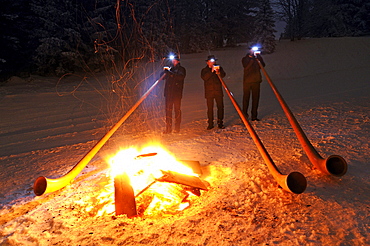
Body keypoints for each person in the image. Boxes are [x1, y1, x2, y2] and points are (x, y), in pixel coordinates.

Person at [201, 55, 226, 130]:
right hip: (209, 92)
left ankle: (220, 122)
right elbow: (204, 78)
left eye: (213, 61)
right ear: (207, 62)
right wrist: (211, 71)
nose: (212, 62)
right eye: (210, 61)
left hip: (218, 91)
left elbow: (223, 75)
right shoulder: (204, 70)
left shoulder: (219, 68)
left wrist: (218, 72)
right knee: (210, 108)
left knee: (220, 107)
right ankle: (210, 123)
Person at [162, 55, 186, 134]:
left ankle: (177, 128)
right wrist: (165, 72)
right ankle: (168, 128)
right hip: (168, 93)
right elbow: (162, 77)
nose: (173, 62)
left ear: (178, 61)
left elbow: (180, 77)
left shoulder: (181, 69)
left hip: (176, 94)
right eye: (173, 60)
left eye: (175, 60)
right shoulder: (170, 68)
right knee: (168, 111)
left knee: (177, 110)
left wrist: (171, 74)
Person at [241, 47, 265, 121]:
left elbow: (263, 66)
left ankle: (254, 116)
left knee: (255, 99)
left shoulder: (257, 58)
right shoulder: (245, 59)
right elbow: (246, 67)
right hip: (247, 81)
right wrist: (252, 59)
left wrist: (259, 57)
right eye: (252, 50)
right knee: (246, 99)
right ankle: (244, 115)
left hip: (256, 81)